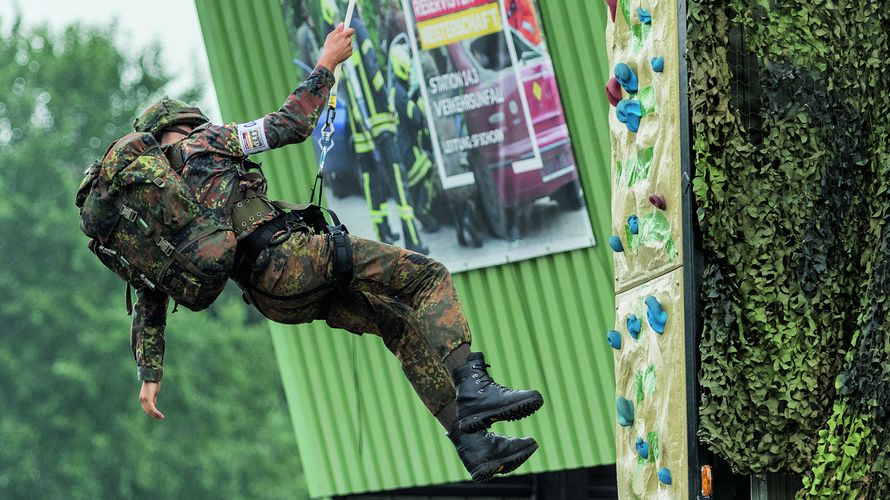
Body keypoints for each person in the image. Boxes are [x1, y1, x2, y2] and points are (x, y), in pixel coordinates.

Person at [127, 22, 544, 482]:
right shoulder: (204, 142)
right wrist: (327, 61)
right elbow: (290, 123)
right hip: (295, 260)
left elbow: (150, 290)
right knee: (427, 277)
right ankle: (474, 385)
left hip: (273, 299)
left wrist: (150, 372)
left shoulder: (158, 206)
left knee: (397, 323)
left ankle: (474, 446)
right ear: (182, 124)